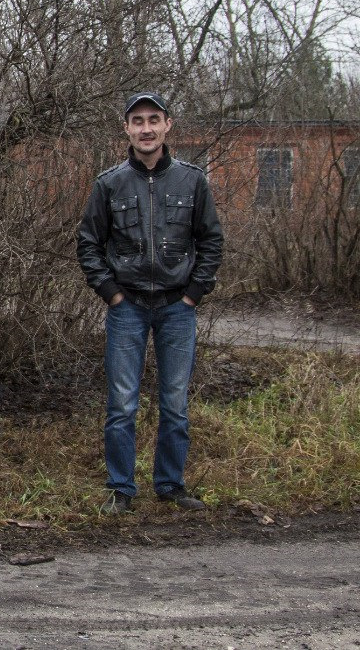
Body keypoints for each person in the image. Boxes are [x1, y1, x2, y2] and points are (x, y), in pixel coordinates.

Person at [76, 91, 223, 516]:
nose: (146, 128)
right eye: (137, 121)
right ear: (127, 128)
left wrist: (195, 292)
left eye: (153, 120)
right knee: (122, 403)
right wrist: (112, 294)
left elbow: (211, 241)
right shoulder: (109, 183)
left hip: (179, 306)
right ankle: (121, 489)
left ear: (167, 125)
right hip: (128, 307)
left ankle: (170, 486)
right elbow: (88, 244)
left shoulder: (193, 180)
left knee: (175, 402)